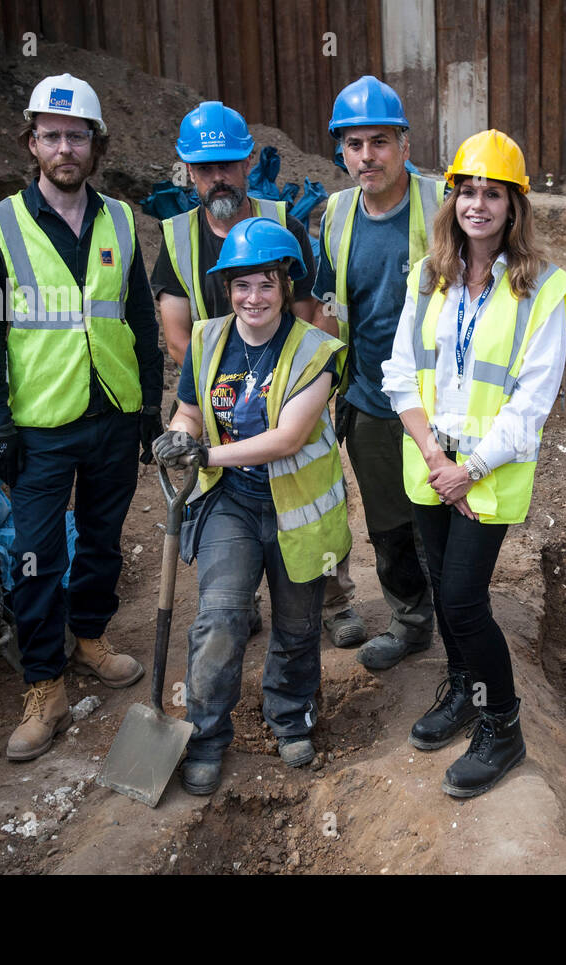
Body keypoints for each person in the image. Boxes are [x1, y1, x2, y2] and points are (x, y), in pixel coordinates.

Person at [0, 73, 163, 762]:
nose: (63, 147)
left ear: (95, 145)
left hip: (112, 411)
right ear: (32, 144)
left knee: (105, 539)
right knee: (39, 555)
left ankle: (90, 636)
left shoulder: (117, 220)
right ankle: (44, 684)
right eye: (50, 135)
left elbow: (138, 316)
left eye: (75, 135)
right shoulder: (2, 225)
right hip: (41, 422)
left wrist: (148, 405)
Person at [382, 130, 566, 798]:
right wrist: (438, 458)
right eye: (467, 190)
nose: (478, 204)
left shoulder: (541, 292)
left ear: (514, 207)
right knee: (442, 586)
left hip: (488, 476)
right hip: (433, 466)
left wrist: (471, 468)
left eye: (493, 193)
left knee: (464, 600)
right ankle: (464, 687)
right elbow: (400, 374)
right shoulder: (426, 276)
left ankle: (502, 724)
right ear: (452, 200)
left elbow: (532, 403)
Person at [149, 101, 360, 644]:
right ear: (190, 173)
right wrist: (219, 392)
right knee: (228, 502)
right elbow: (177, 335)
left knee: (307, 494)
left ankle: (331, 598)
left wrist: (293, 382)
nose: (218, 176)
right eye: (205, 167)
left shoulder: (281, 220)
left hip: (288, 384)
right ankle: (239, 601)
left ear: (248, 164)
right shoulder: (176, 239)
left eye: (229, 164)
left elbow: (312, 308)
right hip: (216, 387)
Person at [153, 217, 350, 794]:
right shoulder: (209, 339)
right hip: (231, 507)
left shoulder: (317, 350)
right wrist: (181, 433)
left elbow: (289, 437)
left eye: (266, 283)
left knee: (296, 625)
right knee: (219, 619)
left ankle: (289, 716)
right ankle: (206, 736)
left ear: (286, 285)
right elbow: (190, 409)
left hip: (297, 512)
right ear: (226, 288)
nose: (253, 298)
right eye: (242, 285)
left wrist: (207, 453)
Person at [315, 75, 446, 671]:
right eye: (354, 144)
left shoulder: (442, 203)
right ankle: (411, 622)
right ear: (342, 151)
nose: (366, 156)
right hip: (370, 396)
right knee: (389, 523)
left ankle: (461, 620)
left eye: (379, 142)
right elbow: (330, 309)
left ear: (404, 146)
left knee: (444, 514)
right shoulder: (337, 215)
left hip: (440, 397)